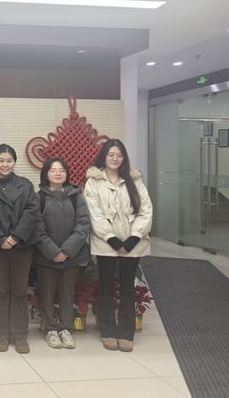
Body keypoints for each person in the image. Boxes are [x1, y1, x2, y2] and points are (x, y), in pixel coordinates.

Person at [84, 139, 152, 353]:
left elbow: (146, 210)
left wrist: (133, 238)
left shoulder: (135, 180)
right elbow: (94, 213)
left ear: (124, 158)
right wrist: (112, 239)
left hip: (133, 243)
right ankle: (107, 330)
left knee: (127, 288)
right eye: (111, 154)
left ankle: (126, 332)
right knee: (105, 287)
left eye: (119, 155)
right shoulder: (93, 182)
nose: (115, 158)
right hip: (106, 244)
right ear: (103, 156)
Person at [0, 144, 39, 354]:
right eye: (1, 160)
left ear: (14, 162)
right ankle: (2, 333)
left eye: (9, 161)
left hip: (22, 245)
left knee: (20, 291)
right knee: (0, 291)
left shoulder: (25, 185)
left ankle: (20, 334)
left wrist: (15, 237)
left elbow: (32, 211)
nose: (5, 164)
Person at [35, 158, 90, 350]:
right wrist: (53, 251)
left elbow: (83, 225)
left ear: (67, 174)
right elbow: (36, 227)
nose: (58, 173)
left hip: (71, 256)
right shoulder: (39, 198)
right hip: (46, 256)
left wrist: (66, 251)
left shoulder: (76, 197)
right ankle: (50, 328)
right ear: (46, 174)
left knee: (68, 294)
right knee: (47, 293)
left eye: (62, 170)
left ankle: (66, 328)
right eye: (53, 170)